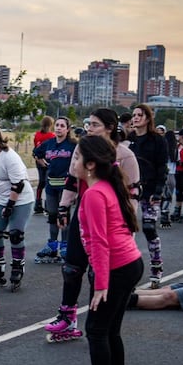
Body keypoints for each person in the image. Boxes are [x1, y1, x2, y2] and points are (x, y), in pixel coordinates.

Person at [61, 134, 144, 365]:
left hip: (118, 267)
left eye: (77, 157)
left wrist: (101, 285)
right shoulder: (107, 186)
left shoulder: (96, 193)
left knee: (96, 330)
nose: (73, 161)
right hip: (130, 263)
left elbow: (99, 242)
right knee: (111, 332)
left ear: (91, 165)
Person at [46, 109, 140, 343]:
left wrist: (129, 222)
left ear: (110, 128)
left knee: (97, 268)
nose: (89, 128)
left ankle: (97, 318)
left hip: (110, 217)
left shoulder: (125, 155)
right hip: (83, 212)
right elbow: (71, 180)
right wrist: (63, 207)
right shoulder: (81, 149)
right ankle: (67, 317)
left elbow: (133, 192)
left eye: (95, 125)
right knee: (71, 268)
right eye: (88, 123)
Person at [0, 125, 34, 292]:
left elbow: (18, 184)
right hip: (1, 198)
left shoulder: (10, 157)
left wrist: (10, 206)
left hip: (22, 199)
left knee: (16, 234)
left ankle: (17, 267)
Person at [128, 103, 168, 288]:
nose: (135, 118)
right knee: (126, 230)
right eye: (134, 115)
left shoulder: (157, 140)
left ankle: (156, 266)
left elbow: (162, 167)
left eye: (139, 115)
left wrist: (158, 191)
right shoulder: (129, 139)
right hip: (130, 191)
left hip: (151, 189)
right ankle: (127, 269)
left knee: (149, 227)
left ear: (147, 118)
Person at [32, 117, 76, 264]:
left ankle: (65, 246)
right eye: (57, 125)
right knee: (52, 216)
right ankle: (52, 246)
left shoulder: (73, 145)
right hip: (51, 186)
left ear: (68, 129)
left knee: (63, 216)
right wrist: (41, 162)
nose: (58, 128)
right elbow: (36, 153)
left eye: (62, 126)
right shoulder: (48, 143)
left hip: (66, 187)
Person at [32, 116, 55, 214]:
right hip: (49, 160)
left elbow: (36, 147)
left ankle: (38, 203)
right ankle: (48, 204)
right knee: (48, 182)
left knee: (41, 182)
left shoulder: (37, 135)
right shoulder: (52, 136)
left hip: (39, 160)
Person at [158, 125, 177, 228]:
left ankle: (161, 213)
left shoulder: (163, 146)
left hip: (163, 173)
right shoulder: (175, 148)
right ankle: (166, 213)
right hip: (172, 174)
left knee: (161, 195)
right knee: (168, 197)